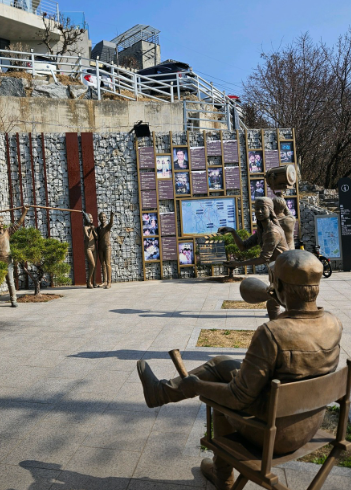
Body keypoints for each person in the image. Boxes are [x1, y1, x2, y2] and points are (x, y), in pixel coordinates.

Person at [137, 250, 342, 490]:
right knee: (221, 364)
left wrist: (197, 386)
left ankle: (223, 477)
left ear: (280, 287)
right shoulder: (333, 323)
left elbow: (238, 397)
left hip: (272, 435)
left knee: (220, 395)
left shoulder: (272, 334)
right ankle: (162, 392)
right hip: (308, 426)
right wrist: (281, 303)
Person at [219, 197, 288, 319]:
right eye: (256, 209)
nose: (259, 211)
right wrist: (233, 232)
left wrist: (238, 264)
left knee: (283, 302)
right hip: (275, 271)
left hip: (285, 272)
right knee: (273, 303)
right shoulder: (262, 231)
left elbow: (264, 258)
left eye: (263, 208)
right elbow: (243, 246)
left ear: (270, 210)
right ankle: (275, 326)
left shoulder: (272, 232)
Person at [97, 212, 114, 289]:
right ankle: (105, 281)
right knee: (103, 264)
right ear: (99, 218)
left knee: (107, 264)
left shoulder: (107, 227)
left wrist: (111, 216)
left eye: (104, 217)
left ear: (106, 218)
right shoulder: (98, 228)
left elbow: (111, 223)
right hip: (100, 247)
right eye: (101, 217)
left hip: (107, 247)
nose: (102, 218)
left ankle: (109, 282)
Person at [83, 212, 98, 289]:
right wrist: (91, 230)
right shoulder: (85, 228)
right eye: (90, 218)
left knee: (95, 266)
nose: (91, 219)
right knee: (92, 265)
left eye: (92, 218)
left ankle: (94, 282)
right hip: (88, 248)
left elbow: (97, 237)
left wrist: (93, 230)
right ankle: (89, 282)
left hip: (94, 248)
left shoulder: (93, 227)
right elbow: (88, 237)